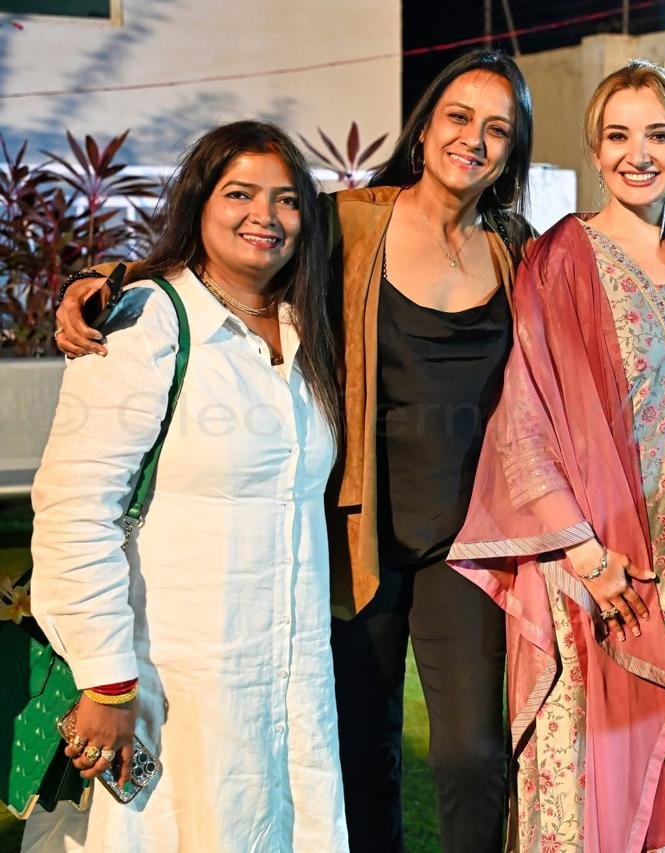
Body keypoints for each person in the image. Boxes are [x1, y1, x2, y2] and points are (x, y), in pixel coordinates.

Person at [52, 50, 533, 853]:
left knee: (473, 754)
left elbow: (596, 281)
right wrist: (105, 276)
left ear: (513, 151)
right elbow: (237, 243)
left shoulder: (516, 249)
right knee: (359, 750)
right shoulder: (351, 221)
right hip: (353, 531)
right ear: (423, 129)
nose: (473, 139)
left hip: (466, 538)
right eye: (458, 116)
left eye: (497, 128)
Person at [448, 60, 665, 851]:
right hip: (599, 558)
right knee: (600, 771)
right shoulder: (562, 258)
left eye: (658, 135)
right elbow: (525, 418)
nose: (637, 154)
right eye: (618, 136)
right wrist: (585, 555)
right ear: (594, 150)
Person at [30, 120, 346, 849]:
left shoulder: (307, 330)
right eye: (239, 194)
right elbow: (75, 509)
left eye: (287, 199)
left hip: (290, 677)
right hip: (171, 674)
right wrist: (107, 678)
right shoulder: (147, 323)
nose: (265, 215)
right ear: (199, 202)